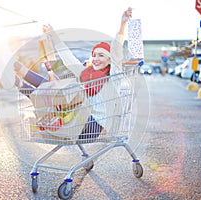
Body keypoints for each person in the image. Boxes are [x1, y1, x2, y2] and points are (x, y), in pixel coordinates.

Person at [42, 7, 133, 140]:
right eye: (94, 55)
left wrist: (122, 24)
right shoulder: (86, 74)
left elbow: (116, 51)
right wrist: (54, 35)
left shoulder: (113, 76)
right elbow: (69, 59)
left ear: (109, 60)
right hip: (83, 122)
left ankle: (54, 126)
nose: (96, 59)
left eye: (101, 55)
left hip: (95, 125)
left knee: (75, 110)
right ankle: (52, 125)